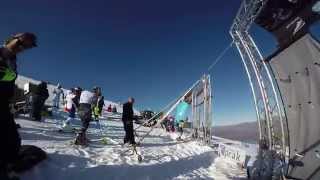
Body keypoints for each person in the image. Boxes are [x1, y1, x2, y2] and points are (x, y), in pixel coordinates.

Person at [0, 32, 37, 179]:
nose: (21, 48)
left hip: (3, 102)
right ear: (10, 40)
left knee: (12, 142)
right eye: (20, 44)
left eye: (25, 47)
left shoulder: (12, 60)